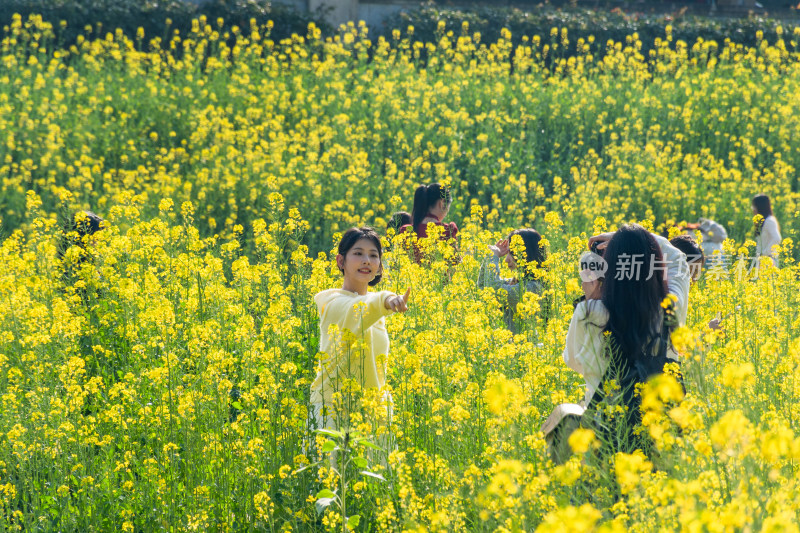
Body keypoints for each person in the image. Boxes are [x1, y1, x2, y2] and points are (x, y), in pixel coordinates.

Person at [563, 224, 690, 453]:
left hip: (604, 434)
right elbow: (679, 260)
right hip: (658, 434)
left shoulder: (588, 313)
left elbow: (573, 361)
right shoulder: (669, 308)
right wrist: (641, 239)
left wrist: (592, 296)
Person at [309, 227, 411, 439]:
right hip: (333, 409)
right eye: (358, 253)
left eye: (373, 255)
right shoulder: (331, 302)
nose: (366, 260)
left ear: (379, 265)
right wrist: (388, 299)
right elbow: (358, 307)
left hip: (373, 412)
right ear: (341, 261)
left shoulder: (376, 310)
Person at [479, 228, 546, 331]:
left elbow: (494, 290)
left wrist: (494, 257)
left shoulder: (533, 287)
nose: (506, 259)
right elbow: (483, 287)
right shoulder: (518, 283)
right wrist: (489, 259)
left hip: (522, 346)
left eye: (511, 253)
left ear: (525, 253)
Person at [752, 194, 781, 268]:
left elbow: (777, 238)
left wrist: (765, 253)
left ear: (760, 206)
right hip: (763, 259)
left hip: (769, 259)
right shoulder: (763, 221)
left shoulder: (769, 221)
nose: (752, 209)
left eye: (754, 206)